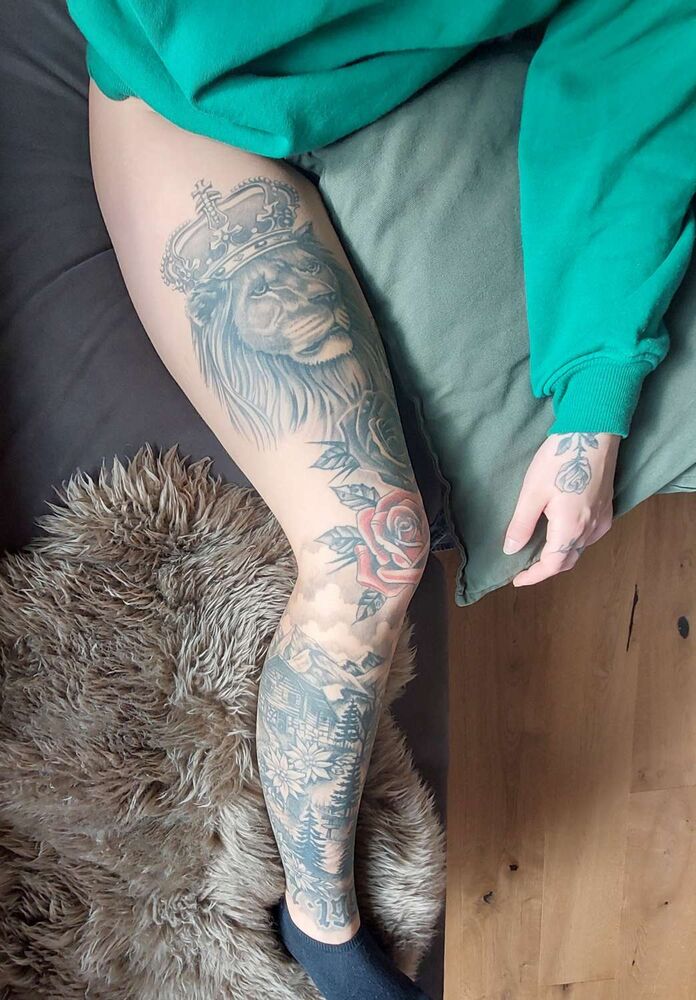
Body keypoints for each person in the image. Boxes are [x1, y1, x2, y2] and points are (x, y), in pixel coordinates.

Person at [66, 2, 696, 998]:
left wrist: (594, 401)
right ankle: (322, 926)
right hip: (187, 105)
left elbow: (643, 42)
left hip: (413, 76)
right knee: (370, 554)